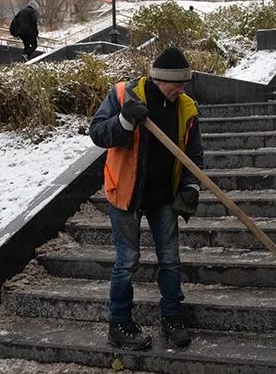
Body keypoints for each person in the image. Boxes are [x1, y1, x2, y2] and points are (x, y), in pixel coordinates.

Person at [89, 46, 203, 351]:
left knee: (170, 259)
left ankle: (172, 316)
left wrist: (191, 188)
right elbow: (98, 133)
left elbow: (194, 156)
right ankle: (120, 324)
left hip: (164, 197)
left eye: (184, 84)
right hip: (125, 193)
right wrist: (125, 121)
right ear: (160, 80)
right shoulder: (124, 95)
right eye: (176, 84)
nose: (181, 90)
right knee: (126, 262)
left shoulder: (186, 107)